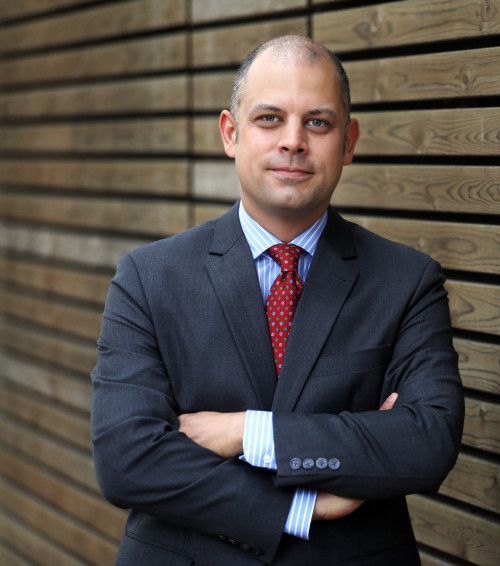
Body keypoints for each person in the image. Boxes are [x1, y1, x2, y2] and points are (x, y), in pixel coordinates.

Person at [90, 35, 464, 565]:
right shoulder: (149, 278)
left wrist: (248, 432)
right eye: (269, 119)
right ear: (231, 133)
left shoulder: (406, 281)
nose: (293, 141)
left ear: (349, 141)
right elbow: (127, 460)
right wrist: (298, 507)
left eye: (318, 122)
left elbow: (426, 443)